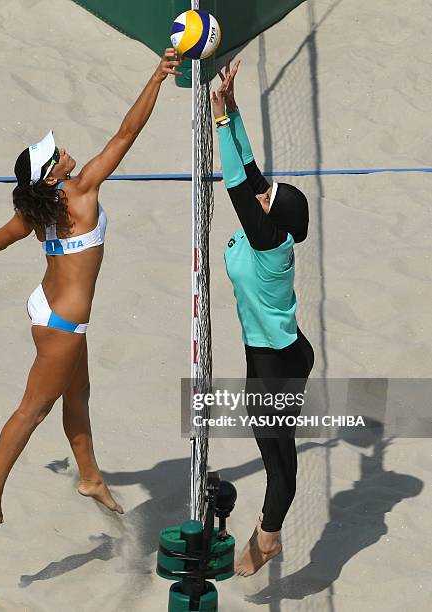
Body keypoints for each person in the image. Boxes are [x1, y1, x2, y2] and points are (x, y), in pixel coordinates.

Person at [0, 49, 182, 527]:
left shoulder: (39, 209)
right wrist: (157, 76)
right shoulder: (81, 190)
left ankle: (90, 475)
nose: (64, 150)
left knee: (79, 395)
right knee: (33, 410)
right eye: (56, 155)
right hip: (61, 323)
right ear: (52, 174)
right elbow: (126, 133)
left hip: (48, 309)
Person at [212, 61, 315, 576]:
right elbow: (250, 171)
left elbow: (235, 185)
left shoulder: (269, 244)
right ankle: (266, 532)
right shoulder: (272, 230)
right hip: (275, 350)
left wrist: (216, 125)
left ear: (273, 221)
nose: (261, 193)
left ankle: (269, 535)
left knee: (278, 460)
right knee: (269, 437)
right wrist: (228, 110)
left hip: (278, 361)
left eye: (268, 200)